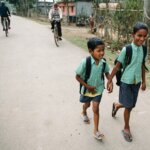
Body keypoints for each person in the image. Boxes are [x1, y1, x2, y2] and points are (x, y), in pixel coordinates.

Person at [107, 22, 149, 142]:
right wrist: (110, 80)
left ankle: (116, 105)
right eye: (139, 35)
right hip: (126, 81)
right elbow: (117, 66)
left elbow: (142, 65)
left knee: (129, 104)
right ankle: (126, 127)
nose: (142, 39)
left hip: (136, 82)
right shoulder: (127, 49)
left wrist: (144, 81)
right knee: (129, 106)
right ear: (133, 35)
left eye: (144, 36)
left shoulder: (144, 49)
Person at [75, 38, 113, 140]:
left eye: (103, 50)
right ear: (90, 51)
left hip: (98, 89)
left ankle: (96, 131)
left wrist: (110, 82)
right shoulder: (85, 62)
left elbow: (107, 73)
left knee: (96, 108)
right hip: (87, 90)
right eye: (98, 50)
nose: (102, 53)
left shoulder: (103, 62)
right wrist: (87, 86)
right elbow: (77, 77)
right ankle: (83, 112)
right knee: (87, 105)